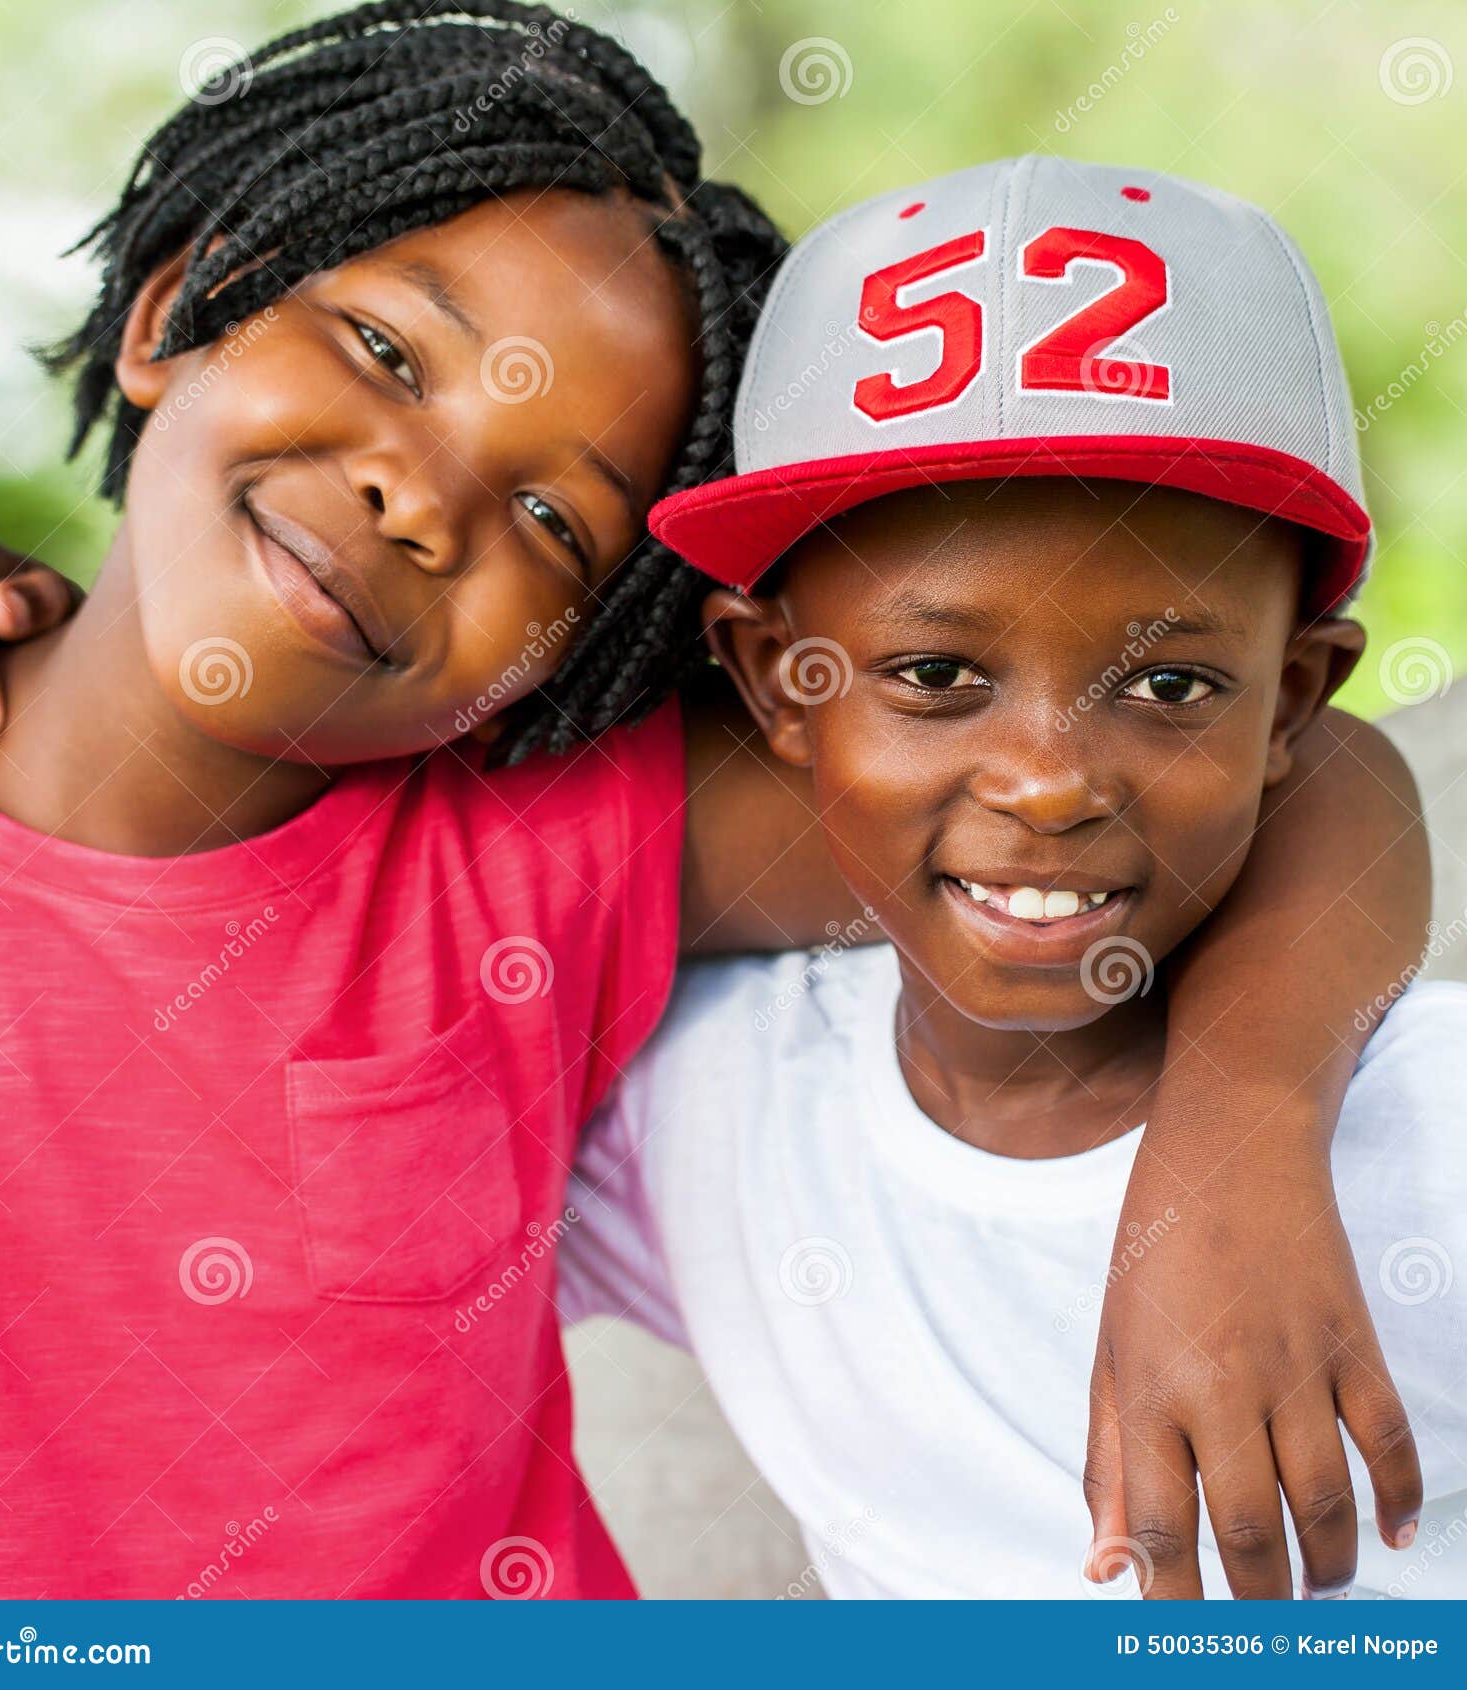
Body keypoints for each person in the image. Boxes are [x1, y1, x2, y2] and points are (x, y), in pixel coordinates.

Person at [0, 75, 1428, 1593]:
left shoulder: (553, 849)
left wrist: (1232, 1160)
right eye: (388, 350)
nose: (420, 495)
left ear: (590, 641)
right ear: (170, 314)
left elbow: (1306, 777)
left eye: (558, 521)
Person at [560, 158, 1458, 1600]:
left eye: (1169, 682)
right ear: (769, 679)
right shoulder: (700, 1108)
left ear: (1292, 699)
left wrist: (1244, 1144)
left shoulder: (1435, 1136)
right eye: (935, 672)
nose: (1050, 781)